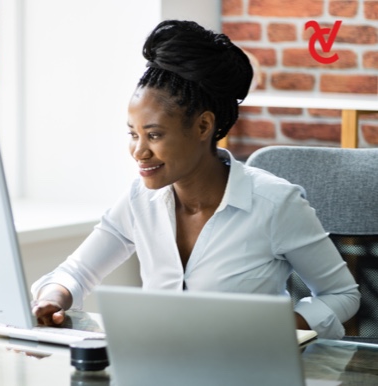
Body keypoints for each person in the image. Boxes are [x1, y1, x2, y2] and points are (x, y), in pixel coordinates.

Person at [30, 20, 360, 340]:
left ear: (203, 127)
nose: (139, 152)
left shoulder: (275, 204)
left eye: (154, 135)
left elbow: (341, 293)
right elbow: (75, 273)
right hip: (160, 368)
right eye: (133, 134)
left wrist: (278, 328)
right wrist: (54, 298)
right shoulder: (138, 201)